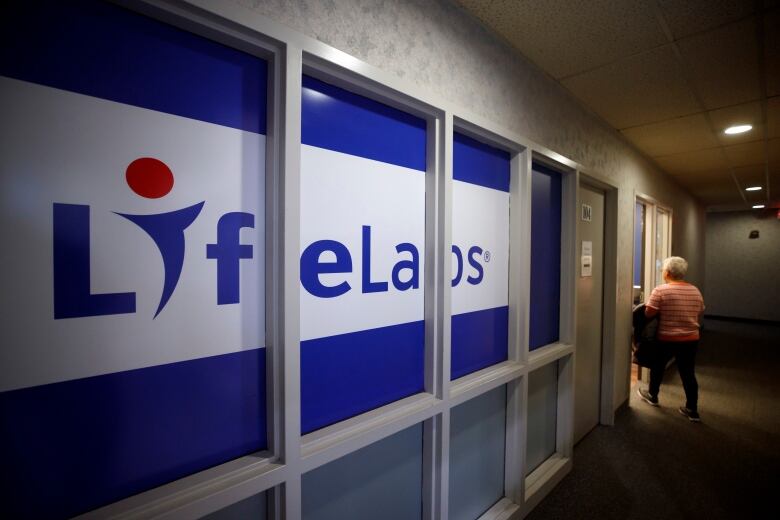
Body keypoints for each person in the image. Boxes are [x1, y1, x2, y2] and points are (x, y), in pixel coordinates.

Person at [637, 256, 705, 422]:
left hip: (667, 337)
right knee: (688, 372)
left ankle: (653, 395)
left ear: (667, 273)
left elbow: (648, 313)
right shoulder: (695, 290)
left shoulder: (661, 290)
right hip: (690, 339)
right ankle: (692, 409)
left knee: (658, 366)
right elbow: (700, 310)